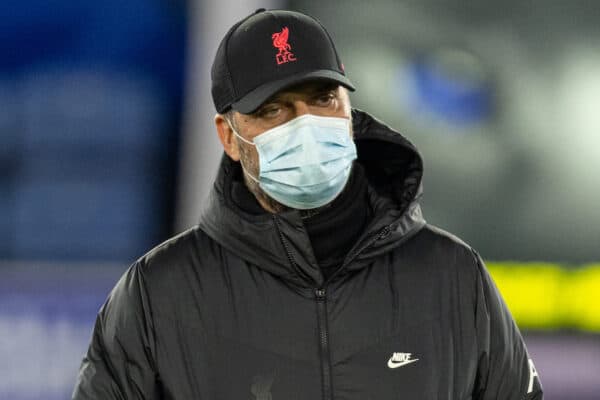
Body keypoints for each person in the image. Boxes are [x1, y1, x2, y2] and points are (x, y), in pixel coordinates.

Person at [72, 8, 543, 400]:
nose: (306, 124)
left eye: (322, 99)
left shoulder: (453, 278)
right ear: (228, 137)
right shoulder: (160, 294)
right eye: (273, 109)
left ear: (348, 108)